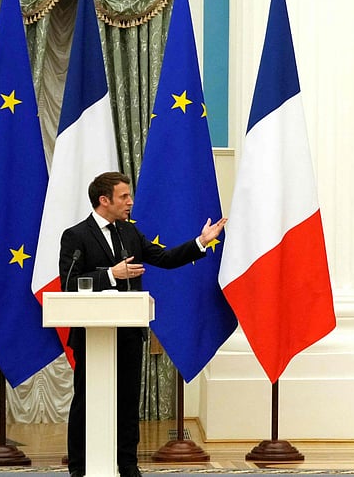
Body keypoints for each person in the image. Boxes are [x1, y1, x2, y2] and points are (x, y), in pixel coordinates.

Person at [59, 171, 227, 477]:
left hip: (128, 333)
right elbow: (70, 283)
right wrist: (111, 275)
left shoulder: (129, 232)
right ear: (104, 200)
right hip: (91, 336)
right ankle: (79, 467)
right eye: (124, 196)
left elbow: (164, 258)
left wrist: (201, 242)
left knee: (128, 402)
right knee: (85, 400)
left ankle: (127, 464)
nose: (130, 202)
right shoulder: (76, 236)